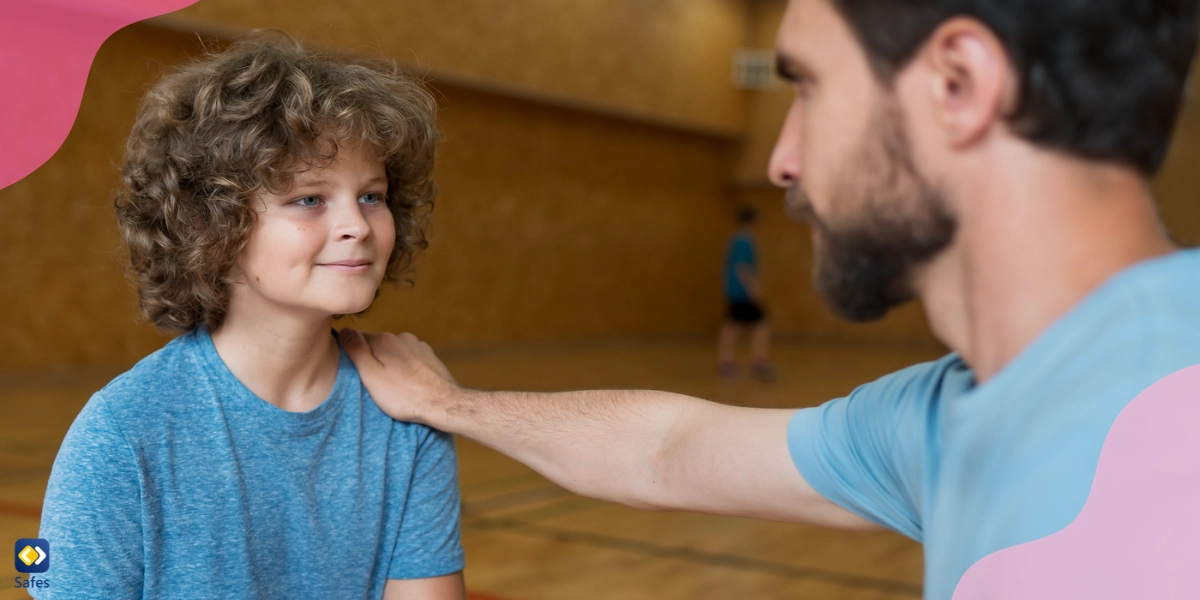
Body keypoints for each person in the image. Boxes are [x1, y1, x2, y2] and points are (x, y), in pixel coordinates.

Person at [340, 0, 1200, 597]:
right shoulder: (940, 421)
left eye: (809, 86)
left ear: (959, 85)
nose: (783, 158)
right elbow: (668, 450)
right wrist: (453, 403)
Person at [37, 35, 465, 599]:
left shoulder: (407, 414)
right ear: (210, 225)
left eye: (371, 195)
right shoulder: (120, 434)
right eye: (309, 198)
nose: (358, 226)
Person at [718, 206, 776, 380]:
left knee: (732, 325)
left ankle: (726, 362)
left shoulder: (734, 239)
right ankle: (759, 361)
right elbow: (743, 267)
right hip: (743, 292)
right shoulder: (744, 240)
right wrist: (753, 289)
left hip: (734, 290)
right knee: (762, 324)